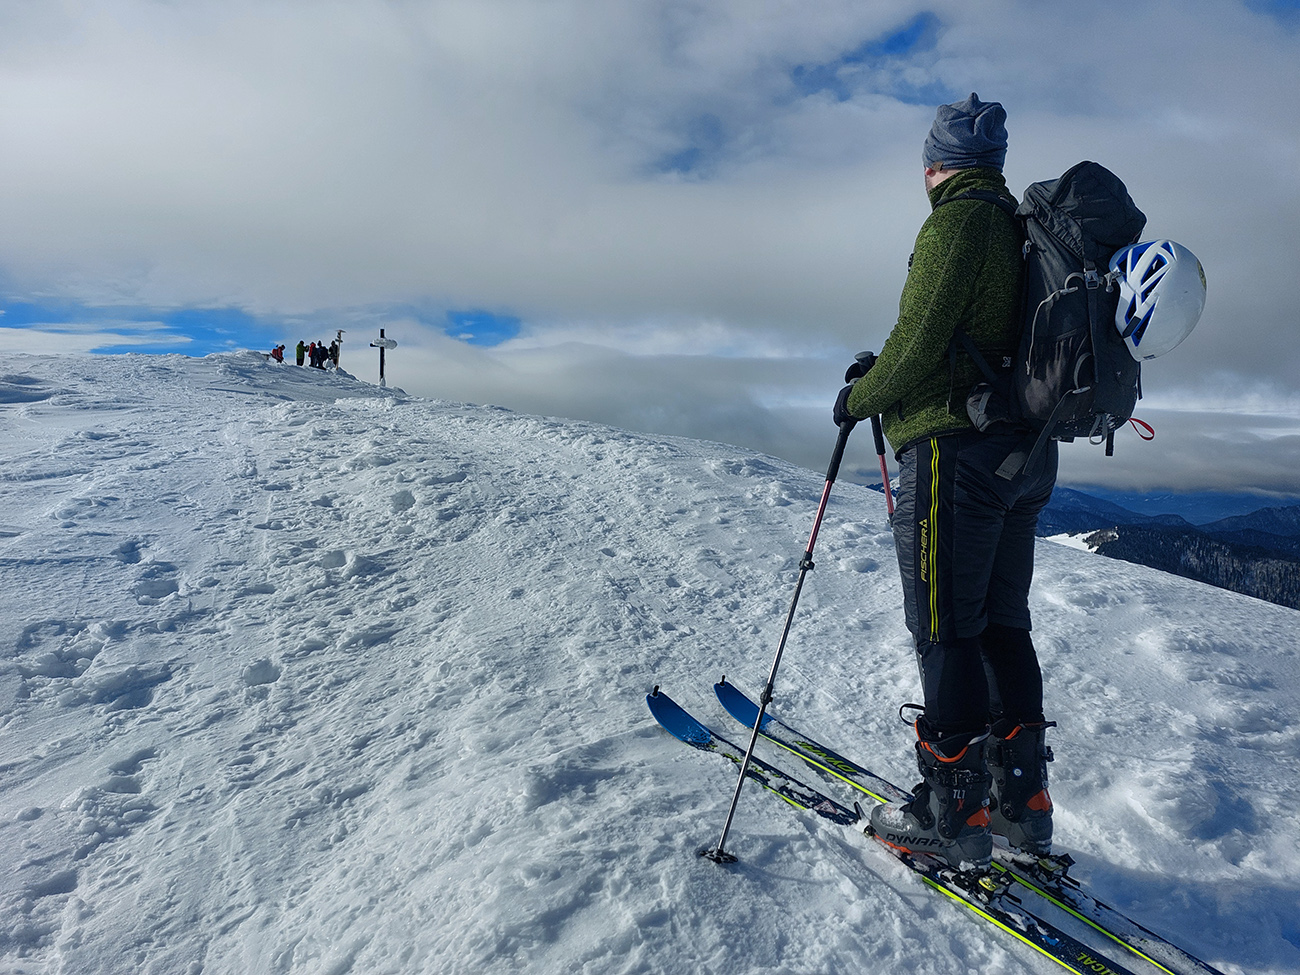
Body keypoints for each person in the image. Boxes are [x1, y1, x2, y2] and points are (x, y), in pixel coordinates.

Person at [834, 94, 1057, 871]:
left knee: (945, 628)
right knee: (1000, 624)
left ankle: (951, 813)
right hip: (1023, 456)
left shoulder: (957, 224)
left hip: (955, 459)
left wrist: (859, 396)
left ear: (938, 164)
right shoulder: (1019, 230)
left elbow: (919, 338)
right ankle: (1020, 803)